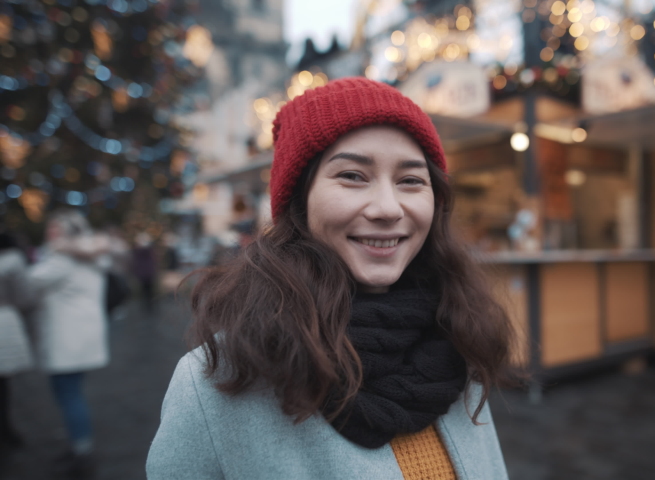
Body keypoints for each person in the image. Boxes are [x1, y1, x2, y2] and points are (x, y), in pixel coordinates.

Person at [147, 78, 516, 480]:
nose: (388, 208)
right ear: (299, 201)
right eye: (353, 175)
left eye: (411, 180)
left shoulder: (456, 337)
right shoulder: (219, 381)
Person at [27, 210, 109, 478]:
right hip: (81, 336)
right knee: (72, 393)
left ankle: (81, 451)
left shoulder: (62, 258)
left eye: (55, 229)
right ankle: (79, 444)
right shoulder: (93, 255)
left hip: (67, 338)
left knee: (69, 394)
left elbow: (30, 280)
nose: (49, 234)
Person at [0, 231, 34, 452]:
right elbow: (24, 297)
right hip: (4, 321)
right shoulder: (12, 260)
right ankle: (6, 429)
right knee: (3, 384)